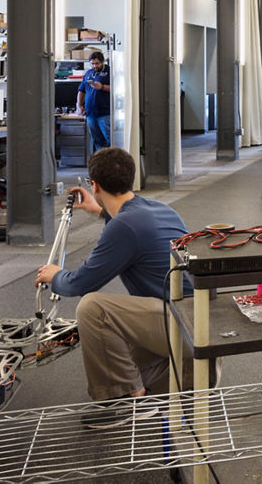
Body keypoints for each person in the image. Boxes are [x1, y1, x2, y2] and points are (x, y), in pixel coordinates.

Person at [34, 147, 191, 428]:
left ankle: (128, 401)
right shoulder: (159, 209)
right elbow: (132, 227)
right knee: (111, 350)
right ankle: (166, 384)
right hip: (196, 322)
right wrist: (100, 209)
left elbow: (79, 284)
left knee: (94, 309)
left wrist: (54, 274)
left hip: (182, 327)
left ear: (94, 185)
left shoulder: (125, 226)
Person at [77, 51, 112, 152]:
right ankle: (101, 164)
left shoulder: (110, 72)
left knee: (109, 140)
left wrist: (101, 87)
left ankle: (112, 164)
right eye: (92, 63)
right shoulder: (88, 73)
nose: (94, 66)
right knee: (97, 141)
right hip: (90, 114)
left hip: (105, 114)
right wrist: (80, 105)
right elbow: (81, 90)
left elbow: (117, 89)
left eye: (97, 63)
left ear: (102, 62)